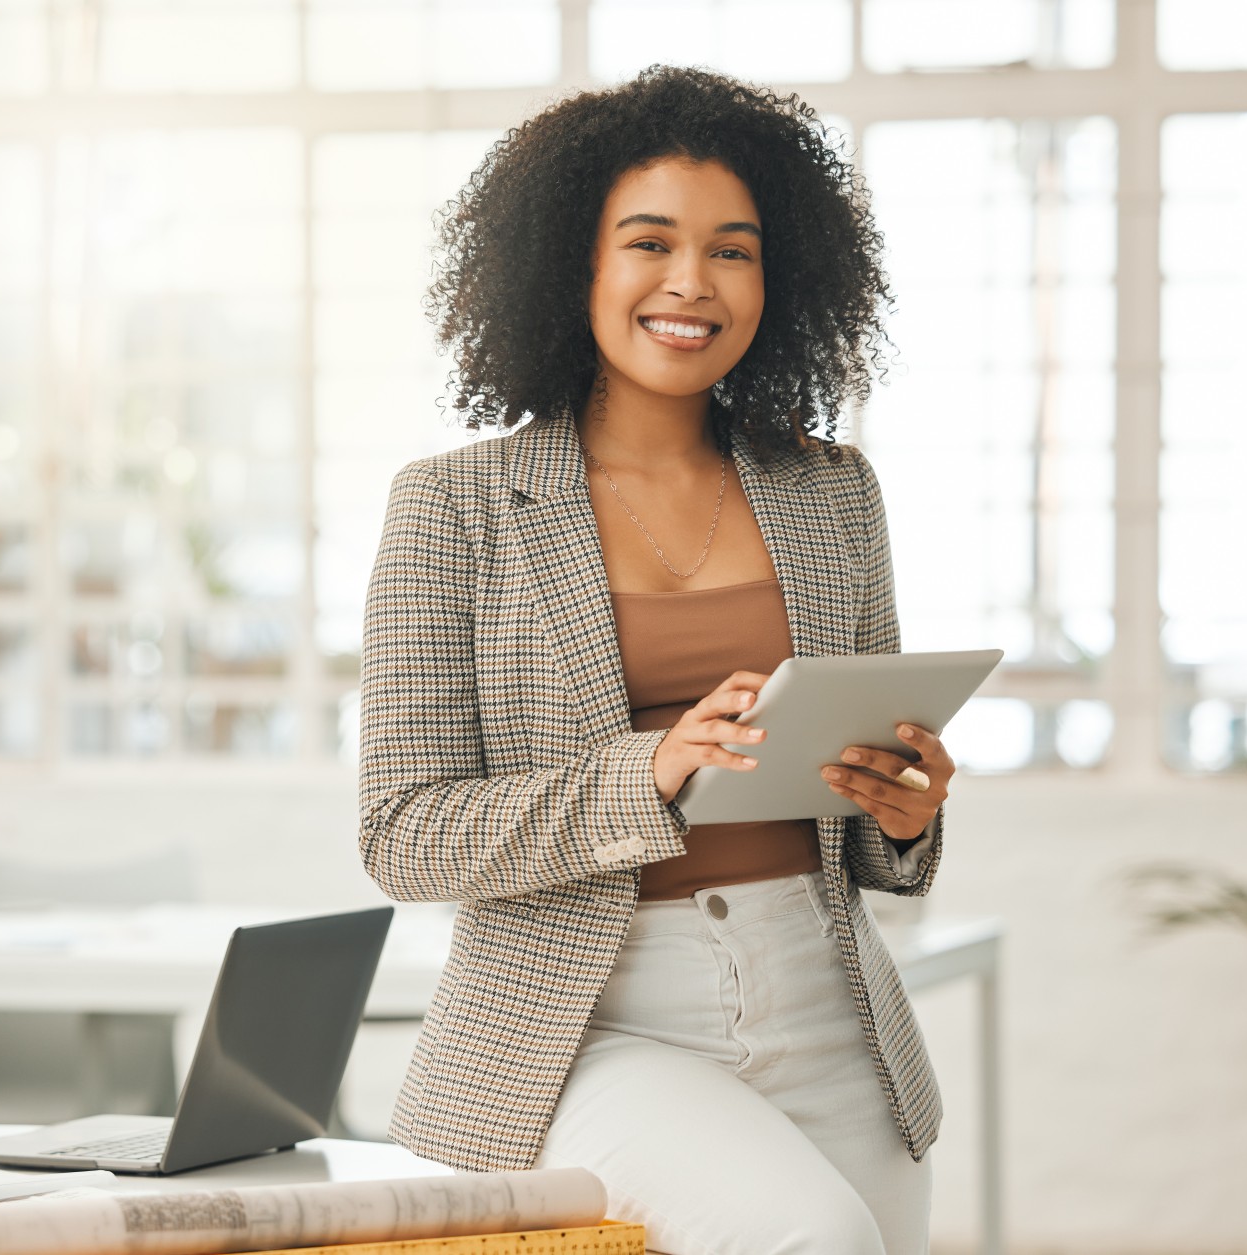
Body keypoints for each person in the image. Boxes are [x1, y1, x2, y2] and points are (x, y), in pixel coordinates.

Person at [357, 66, 957, 1255]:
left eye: (732, 250)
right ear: (571, 263)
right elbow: (404, 833)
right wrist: (652, 771)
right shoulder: (455, 506)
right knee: (811, 1237)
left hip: (827, 994)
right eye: (649, 243)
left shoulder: (834, 492)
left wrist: (907, 806)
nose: (691, 283)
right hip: (592, 1020)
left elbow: (884, 834)